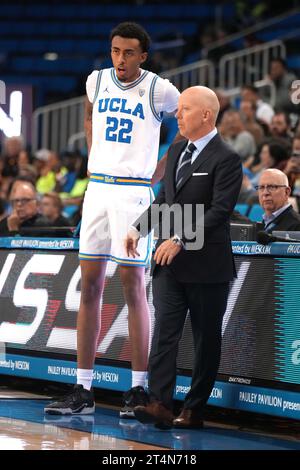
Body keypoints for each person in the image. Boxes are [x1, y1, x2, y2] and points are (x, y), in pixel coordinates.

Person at [44, 22, 180, 417]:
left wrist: (160, 171)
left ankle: (138, 388)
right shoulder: (96, 81)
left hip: (134, 192)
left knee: (133, 285)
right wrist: (93, 150)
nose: (120, 58)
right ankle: (82, 387)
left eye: (128, 52)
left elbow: (188, 125)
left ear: (143, 56)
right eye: (115, 51)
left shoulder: (159, 88)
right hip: (98, 190)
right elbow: (88, 114)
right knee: (90, 286)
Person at [125, 86, 243, 429]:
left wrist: (179, 238)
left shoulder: (227, 157)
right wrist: (139, 228)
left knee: (206, 338)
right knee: (164, 332)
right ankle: (161, 402)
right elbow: (164, 200)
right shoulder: (177, 150)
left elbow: (220, 211)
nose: (177, 115)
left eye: (184, 109)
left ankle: (194, 409)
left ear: (206, 114)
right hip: (168, 263)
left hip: (207, 265)